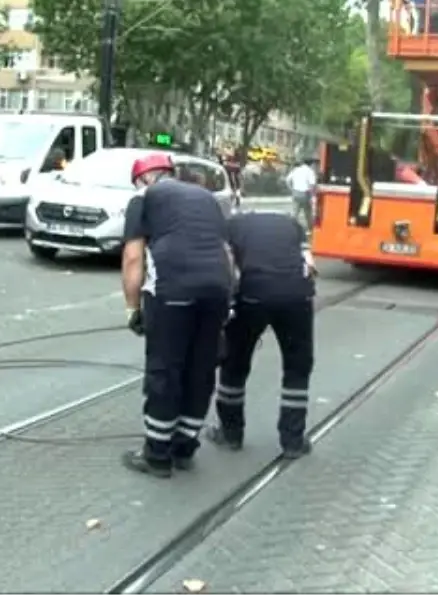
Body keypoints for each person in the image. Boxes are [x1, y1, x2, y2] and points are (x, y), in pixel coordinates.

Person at [121, 152, 236, 478]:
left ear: (143, 178)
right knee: (200, 369)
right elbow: (226, 253)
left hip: (172, 291)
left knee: (165, 370)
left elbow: (133, 258)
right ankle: (184, 448)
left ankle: (157, 455)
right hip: (215, 289)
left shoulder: (143, 197)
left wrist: (133, 308)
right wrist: (226, 299)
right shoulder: (207, 198)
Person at [208, 211, 317, 459]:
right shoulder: (292, 224)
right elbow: (308, 263)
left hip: (253, 293)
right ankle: (293, 440)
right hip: (296, 296)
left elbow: (226, 264)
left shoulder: (231, 225)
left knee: (234, 363)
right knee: (297, 367)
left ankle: (231, 432)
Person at [285, 158, 317, 231]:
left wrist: (291, 189)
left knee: (295, 212)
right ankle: (310, 229)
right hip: (305, 194)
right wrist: (313, 195)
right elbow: (312, 184)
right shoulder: (310, 171)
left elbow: (287, 180)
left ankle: (291, 228)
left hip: (296, 193)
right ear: (311, 164)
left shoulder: (296, 170)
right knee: (308, 213)